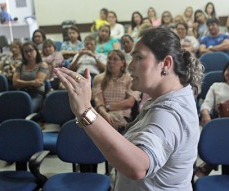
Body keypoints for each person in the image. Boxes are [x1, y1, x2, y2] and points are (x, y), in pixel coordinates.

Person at [53, 27, 204, 190]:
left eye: (139, 57)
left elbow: (138, 167)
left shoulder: (170, 112)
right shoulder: (168, 97)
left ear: (166, 64)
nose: (130, 66)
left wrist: (85, 110)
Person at [196, 62, 229, 177]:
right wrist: (205, 114)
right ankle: (210, 163)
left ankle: (209, 164)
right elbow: (206, 105)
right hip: (221, 126)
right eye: (227, 69)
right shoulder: (216, 86)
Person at [92, 50, 139, 131]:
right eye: (109, 59)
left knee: (108, 122)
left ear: (122, 63)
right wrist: (104, 113)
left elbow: (129, 103)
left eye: (115, 59)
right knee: (82, 120)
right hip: (101, 111)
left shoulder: (130, 79)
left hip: (121, 114)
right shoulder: (99, 78)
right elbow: (99, 101)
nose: (111, 62)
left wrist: (108, 107)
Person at [13, 42, 48, 112]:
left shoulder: (42, 65)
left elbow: (38, 83)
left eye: (30, 50)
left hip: (36, 94)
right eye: (25, 52)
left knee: (26, 109)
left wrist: (22, 83)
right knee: (10, 109)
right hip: (21, 93)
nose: (28, 53)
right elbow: (15, 82)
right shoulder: (20, 66)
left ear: (36, 51)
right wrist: (32, 82)